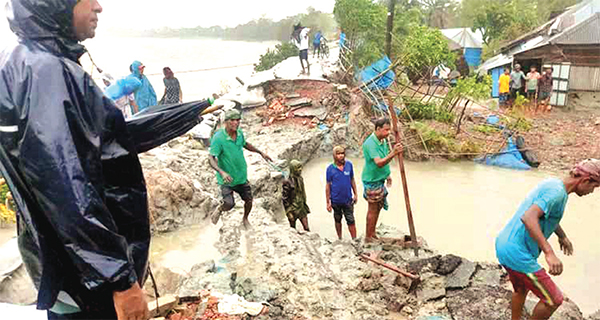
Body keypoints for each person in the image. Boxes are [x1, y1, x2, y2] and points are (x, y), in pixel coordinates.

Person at [0, 1, 150, 319]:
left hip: (67, 269)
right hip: (92, 284)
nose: (99, 7)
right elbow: (64, 185)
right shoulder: (47, 72)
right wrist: (120, 280)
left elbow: (87, 146)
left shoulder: (21, 62)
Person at [496, 159, 600, 320]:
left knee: (521, 290)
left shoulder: (556, 185)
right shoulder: (557, 193)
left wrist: (562, 236)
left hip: (505, 245)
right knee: (553, 300)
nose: (592, 192)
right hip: (517, 253)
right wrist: (549, 252)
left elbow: (547, 215)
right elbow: (529, 217)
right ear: (586, 180)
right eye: (594, 187)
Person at [209, 109, 272, 228]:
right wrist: (222, 172)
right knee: (229, 204)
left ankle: (245, 219)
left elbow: (245, 144)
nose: (236, 123)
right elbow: (211, 158)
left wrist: (260, 152)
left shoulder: (239, 133)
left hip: (241, 176)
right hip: (226, 178)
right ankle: (221, 208)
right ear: (226, 122)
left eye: (238, 120)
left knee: (249, 200)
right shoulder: (218, 138)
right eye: (232, 120)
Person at [362, 118, 403, 243]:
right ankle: (368, 236)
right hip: (372, 180)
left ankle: (372, 232)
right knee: (372, 208)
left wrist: (387, 175)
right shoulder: (370, 143)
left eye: (389, 130)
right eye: (386, 130)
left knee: (378, 206)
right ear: (378, 129)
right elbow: (379, 162)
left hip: (379, 179)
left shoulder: (382, 140)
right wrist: (394, 153)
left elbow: (384, 158)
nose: (388, 133)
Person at [326, 146, 358, 240]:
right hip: (335, 200)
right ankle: (340, 238)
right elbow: (328, 186)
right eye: (338, 154)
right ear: (334, 156)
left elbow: (352, 179)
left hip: (348, 199)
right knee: (337, 220)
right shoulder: (330, 169)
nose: (341, 156)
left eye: (342, 153)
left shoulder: (349, 165)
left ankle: (354, 239)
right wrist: (328, 202)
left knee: (351, 220)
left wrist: (355, 194)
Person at [282, 160, 310, 231]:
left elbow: (302, 193)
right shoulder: (287, 182)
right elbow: (285, 198)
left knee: (306, 228)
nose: (300, 170)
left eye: (300, 167)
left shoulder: (300, 178)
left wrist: (304, 204)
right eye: (297, 168)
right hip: (293, 208)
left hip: (301, 207)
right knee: (292, 229)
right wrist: (288, 211)